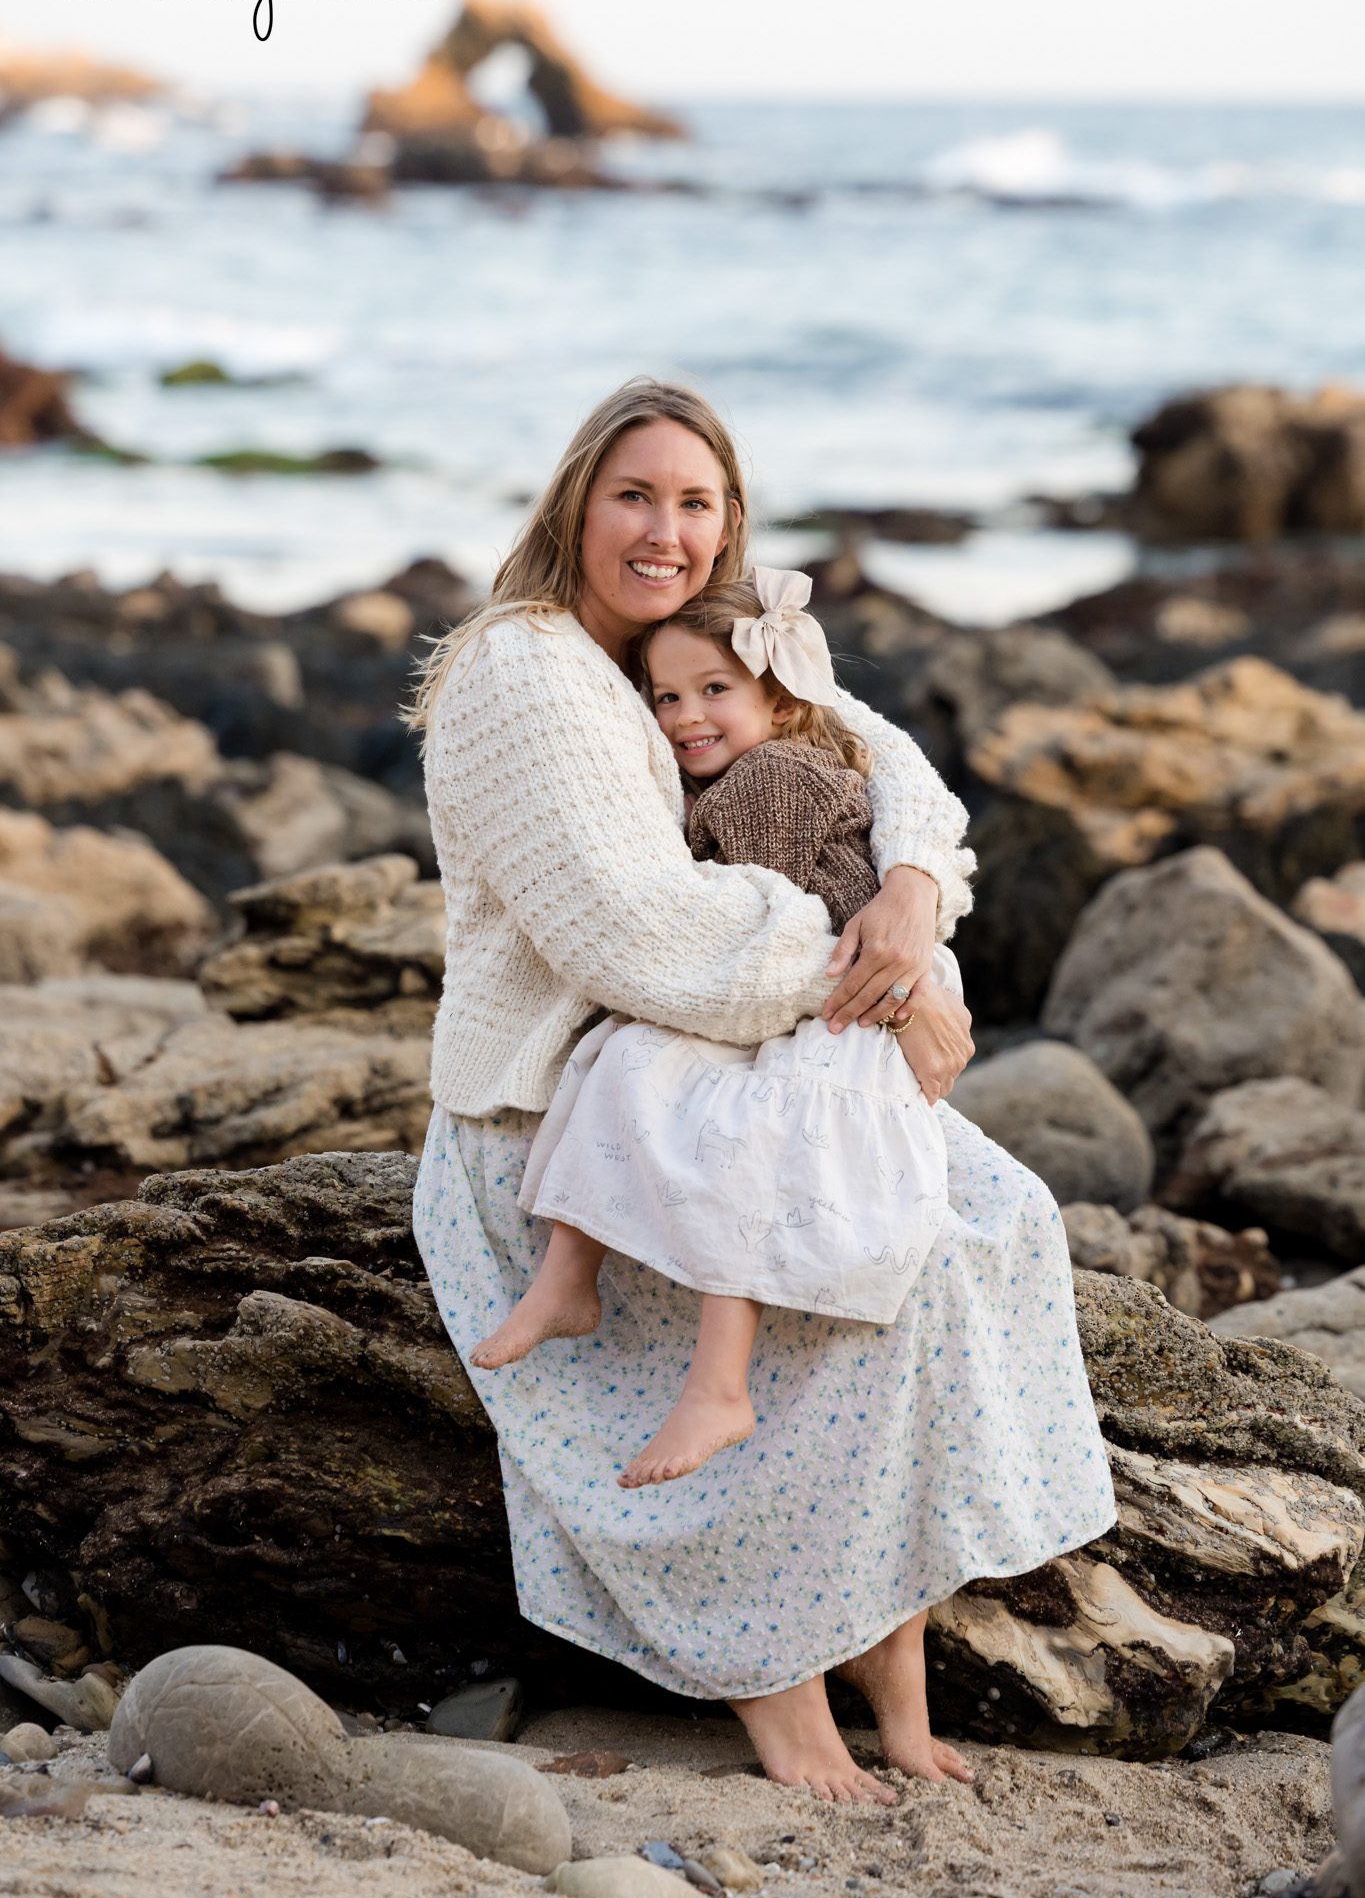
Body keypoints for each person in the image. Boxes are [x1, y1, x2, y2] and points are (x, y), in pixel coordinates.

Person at [407, 376, 1118, 1805]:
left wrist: (912, 897)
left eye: (694, 503)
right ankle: (778, 1689)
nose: (663, 530)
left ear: (729, 524)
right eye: (633, 496)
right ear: (574, 505)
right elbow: (638, 933)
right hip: (570, 1125)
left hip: (744, 1072)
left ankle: (882, 1652)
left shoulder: (711, 648)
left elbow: (891, 766)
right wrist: (894, 986)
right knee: (821, 1308)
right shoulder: (528, 670)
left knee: (980, 1225)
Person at [471, 567, 963, 1495]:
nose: (685, 715)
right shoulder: (739, 765)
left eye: (713, 692)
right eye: (665, 696)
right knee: (616, 1057)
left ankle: (719, 1382)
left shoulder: (770, 775)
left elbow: (758, 911)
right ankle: (567, 1279)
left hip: (847, 990)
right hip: (805, 976)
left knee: (745, 1130)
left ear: (778, 703)